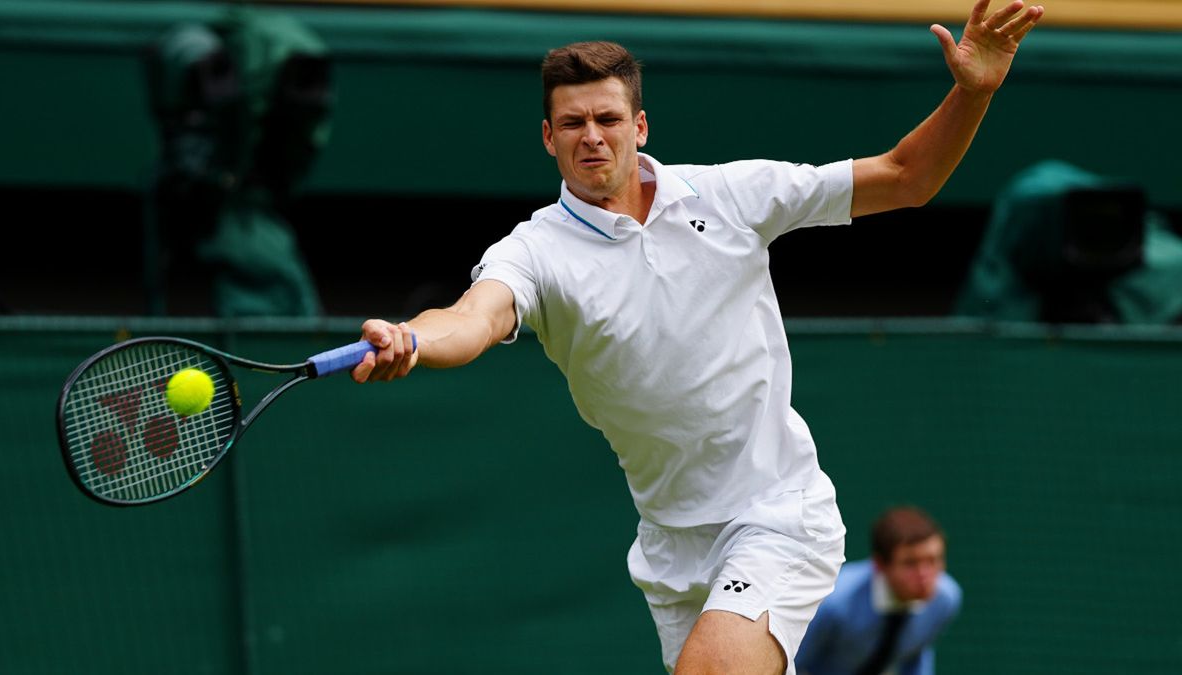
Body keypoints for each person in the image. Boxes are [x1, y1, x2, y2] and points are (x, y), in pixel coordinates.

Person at [350, 2, 1041, 672]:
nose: (592, 134)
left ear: (640, 125)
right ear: (548, 137)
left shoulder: (733, 195)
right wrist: (412, 337)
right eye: (573, 122)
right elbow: (475, 316)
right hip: (672, 551)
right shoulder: (533, 251)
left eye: (608, 118)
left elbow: (905, 177)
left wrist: (972, 93)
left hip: (776, 514)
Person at [794, 507, 962, 675]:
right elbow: (791, 663)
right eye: (911, 563)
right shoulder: (833, 602)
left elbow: (916, 652)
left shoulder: (945, 599)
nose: (925, 575)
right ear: (880, 564)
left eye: (933, 560)